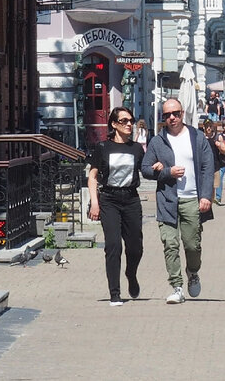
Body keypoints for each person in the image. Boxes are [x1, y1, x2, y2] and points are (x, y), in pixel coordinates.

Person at [141, 97, 215, 304]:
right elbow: (145, 169)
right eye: (167, 115)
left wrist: (206, 196)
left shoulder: (197, 137)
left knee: (192, 245)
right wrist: (166, 172)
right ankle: (177, 286)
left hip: (192, 199)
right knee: (170, 244)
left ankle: (193, 272)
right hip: (167, 200)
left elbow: (208, 168)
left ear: (182, 114)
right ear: (163, 118)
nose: (171, 118)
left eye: (175, 114)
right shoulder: (158, 141)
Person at [87, 106, 144, 306]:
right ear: (113, 124)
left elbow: (146, 169)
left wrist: (159, 167)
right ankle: (115, 293)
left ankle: (131, 273)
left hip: (131, 199)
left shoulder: (137, 149)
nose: (129, 124)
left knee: (135, 246)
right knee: (113, 245)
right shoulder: (103, 147)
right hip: (109, 199)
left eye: (131, 120)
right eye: (124, 121)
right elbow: (93, 176)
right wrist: (95, 203)